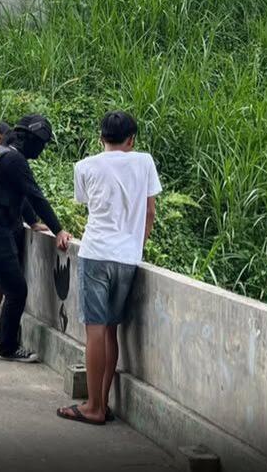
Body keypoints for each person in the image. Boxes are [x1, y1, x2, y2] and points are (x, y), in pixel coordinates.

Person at [57, 111, 161, 425]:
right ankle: (102, 402)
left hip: (97, 252)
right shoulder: (144, 162)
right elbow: (150, 212)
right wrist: (136, 246)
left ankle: (93, 407)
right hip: (127, 258)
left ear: (100, 137)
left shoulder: (85, 166)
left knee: (95, 332)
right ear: (132, 139)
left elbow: (86, 201)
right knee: (111, 330)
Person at [0, 115, 72, 362]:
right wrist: (59, 230)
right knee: (17, 290)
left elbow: (16, 192)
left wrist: (32, 221)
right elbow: (34, 194)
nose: (41, 151)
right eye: (41, 145)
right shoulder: (14, 159)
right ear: (32, 141)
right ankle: (8, 347)